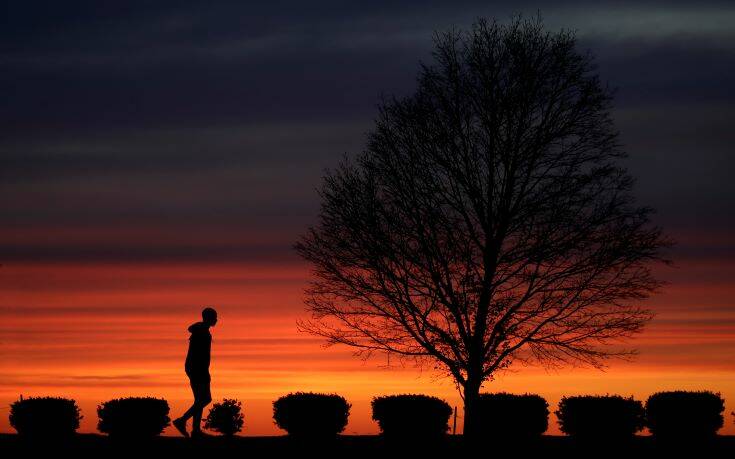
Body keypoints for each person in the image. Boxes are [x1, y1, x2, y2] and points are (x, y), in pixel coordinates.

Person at [173, 307, 217, 438]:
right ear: (208, 318)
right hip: (198, 369)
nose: (217, 319)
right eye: (215, 317)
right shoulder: (202, 332)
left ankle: (196, 430)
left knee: (199, 399)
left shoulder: (201, 330)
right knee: (206, 398)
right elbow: (200, 354)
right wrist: (203, 371)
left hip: (195, 368)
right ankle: (182, 420)